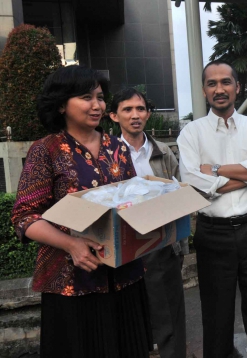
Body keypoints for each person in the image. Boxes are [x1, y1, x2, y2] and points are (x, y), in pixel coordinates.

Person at [11, 66, 152, 358]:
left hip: (124, 276)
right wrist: (72, 244)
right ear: (62, 104)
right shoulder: (46, 150)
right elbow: (24, 217)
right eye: (86, 97)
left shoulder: (118, 148)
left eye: (100, 97)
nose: (97, 105)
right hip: (71, 282)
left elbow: (131, 200)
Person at [177, 60, 247, 358]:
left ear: (237, 87)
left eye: (225, 82)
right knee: (216, 311)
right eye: (212, 83)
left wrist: (217, 171)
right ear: (205, 90)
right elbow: (192, 181)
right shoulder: (191, 133)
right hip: (213, 232)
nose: (219, 89)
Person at [109, 88, 186, 358]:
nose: (135, 115)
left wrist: (180, 246)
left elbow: (181, 195)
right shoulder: (106, 155)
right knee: (129, 319)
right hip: (123, 249)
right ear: (114, 115)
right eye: (127, 109)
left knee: (170, 318)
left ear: (148, 114)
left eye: (140, 109)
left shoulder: (164, 153)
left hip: (160, 244)